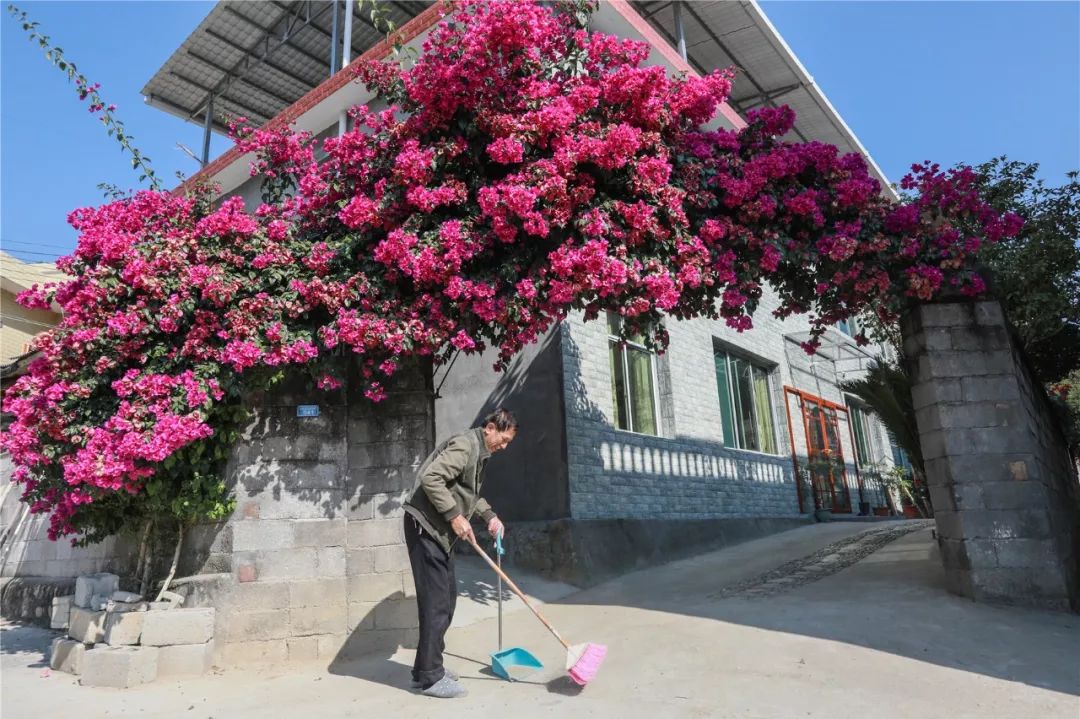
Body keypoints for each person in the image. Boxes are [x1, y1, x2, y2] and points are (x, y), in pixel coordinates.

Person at [403, 408, 518, 698]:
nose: (503, 447)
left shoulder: (480, 452)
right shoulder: (466, 445)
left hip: (439, 533)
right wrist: (455, 516)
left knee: (446, 600)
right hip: (425, 527)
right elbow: (431, 478)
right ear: (490, 428)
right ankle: (431, 677)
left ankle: (426, 669)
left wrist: (489, 516)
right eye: (502, 439)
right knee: (436, 603)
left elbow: (469, 494)